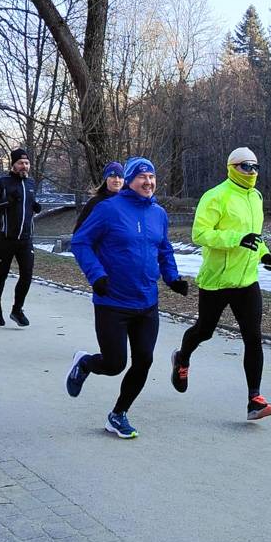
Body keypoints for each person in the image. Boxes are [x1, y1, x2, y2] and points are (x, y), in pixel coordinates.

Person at [67, 157, 188, 439]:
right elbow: (80, 241)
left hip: (146, 302)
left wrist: (172, 277)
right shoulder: (108, 209)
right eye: (142, 177)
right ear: (130, 180)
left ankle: (118, 414)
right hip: (112, 301)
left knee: (144, 360)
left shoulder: (158, 213)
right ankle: (85, 363)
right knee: (114, 364)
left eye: (152, 177)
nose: (149, 182)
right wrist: (96, 275)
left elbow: (164, 249)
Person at [170, 147, 271, 421]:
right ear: (231, 167)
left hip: (246, 280)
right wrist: (235, 239)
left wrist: (264, 254)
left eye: (254, 166)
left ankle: (255, 399)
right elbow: (199, 233)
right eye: (245, 166)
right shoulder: (216, 196)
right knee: (204, 331)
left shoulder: (256, 197)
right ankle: (182, 358)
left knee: (253, 337)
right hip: (217, 281)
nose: (251, 171)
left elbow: (255, 235)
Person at [0, 148, 42, 327]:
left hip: (26, 239)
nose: (24, 166)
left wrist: (35, 205)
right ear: (13, 165)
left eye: (26, 163)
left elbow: (28, 204)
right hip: (5, 237)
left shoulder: (31, 183)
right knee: (1, 275)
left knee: (27, 274)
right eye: (20, 163)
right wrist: (7, 201)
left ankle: (17, 310)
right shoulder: (2, 181)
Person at [73, 161, 124, 232]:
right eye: (113, 176)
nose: (117, 180)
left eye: (120, 176)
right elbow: (79, 231)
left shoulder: (129, 201)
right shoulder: (95, 203)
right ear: (106, 179)